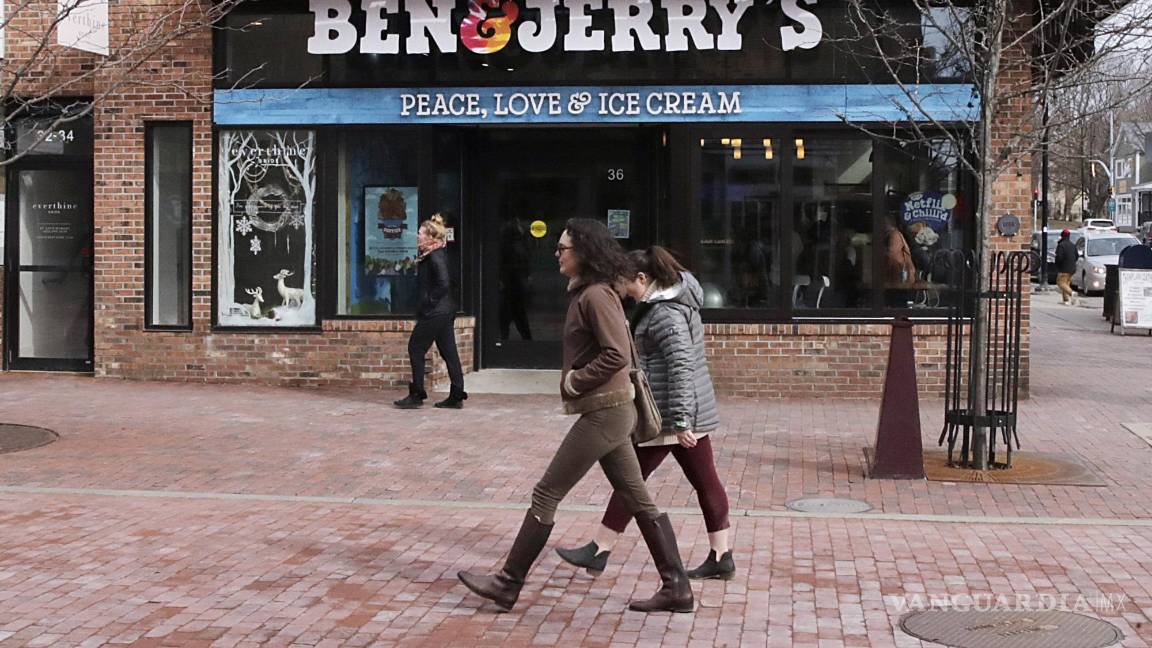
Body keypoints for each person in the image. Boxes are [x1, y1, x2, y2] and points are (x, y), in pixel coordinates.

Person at [457, 219, 694, 614]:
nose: (557, 253)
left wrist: (575, 381)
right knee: (639, 500)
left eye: (563, 247)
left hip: (605, 410)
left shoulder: (596, 295)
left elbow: (617, 352)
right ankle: (677, 587)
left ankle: (508, 582)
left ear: (583, 252)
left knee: (547, 492)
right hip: (612, 410)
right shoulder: (592, 293)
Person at [555, 246, 733, 581]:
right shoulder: (665, 305)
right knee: (701, 480)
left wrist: (681, 421)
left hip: (668, 416)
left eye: (626, 283)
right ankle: (721, 555)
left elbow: (681, 368)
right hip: (676, 413)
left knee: (631, 479)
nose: (622, 291)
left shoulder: (666, 314)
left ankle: (600, 548)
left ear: (643, 278)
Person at [393, 214, 467, 409]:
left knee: (415, 348)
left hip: (436, 311)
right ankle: (457, 394)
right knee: (449, 351)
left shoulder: (435, 256)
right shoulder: (436, 254)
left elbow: (443, 283)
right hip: (445, 310)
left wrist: (428, 303)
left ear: (429, 237)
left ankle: (417, 394)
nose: (417, 236)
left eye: (420, 233)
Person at [1054, 228, 1078, 305]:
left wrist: (1057, 264)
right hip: (1072, 268)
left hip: (1063, 268)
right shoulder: (1073, 245)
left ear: (1062, 236)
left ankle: (1072, 293)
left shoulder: (1061, 245)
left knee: (1061, 283)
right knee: (1066, 284)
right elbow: (1076, 256)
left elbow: (1059, 257)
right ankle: (1066, 300)